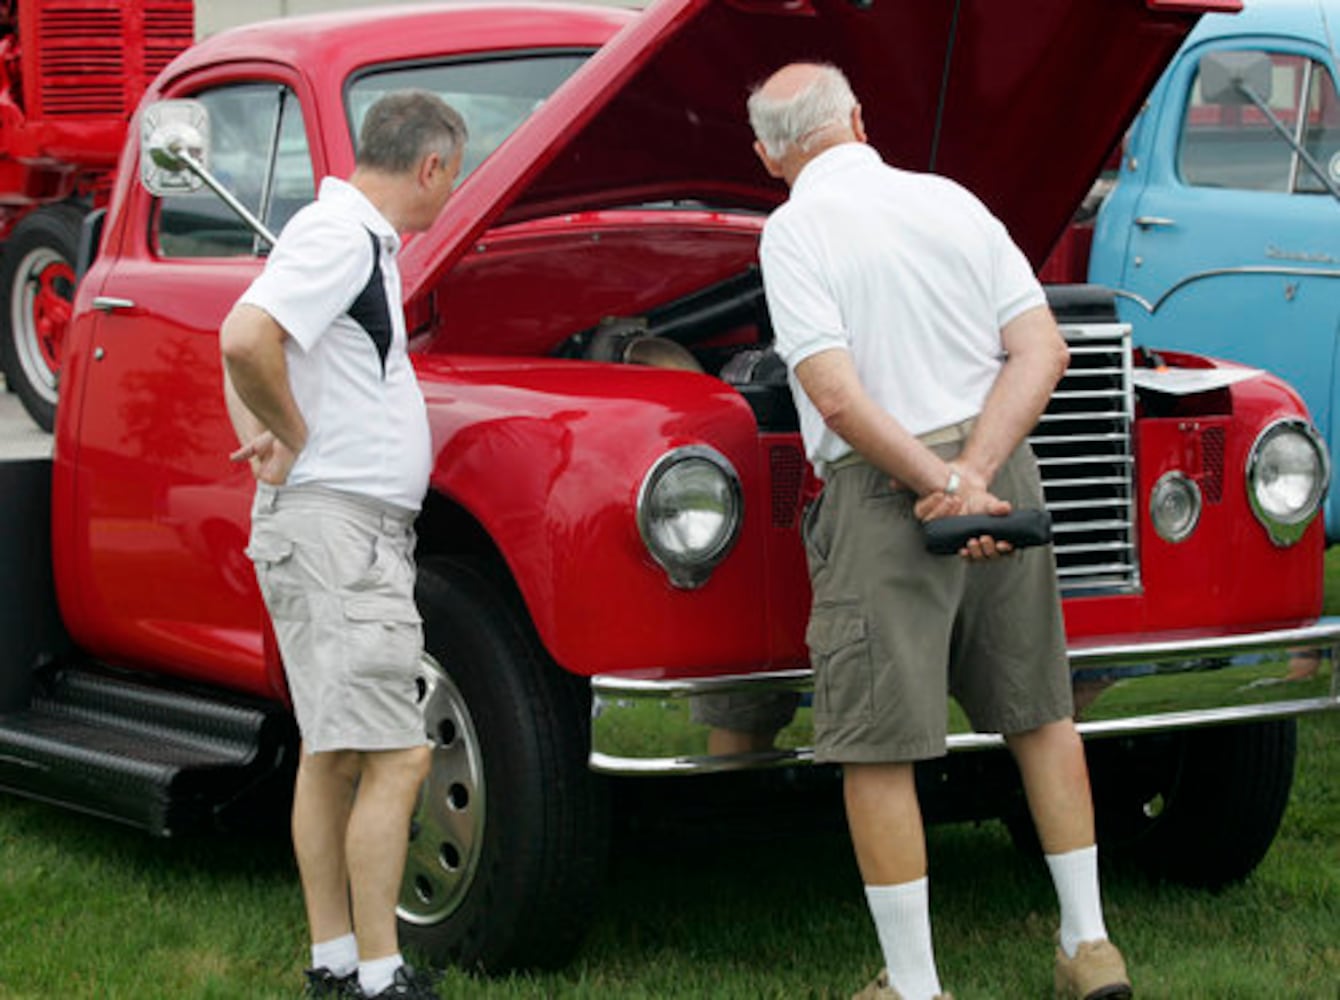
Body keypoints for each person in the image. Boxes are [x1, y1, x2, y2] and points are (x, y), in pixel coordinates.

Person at [746, 64, 1132, 1000]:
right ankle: (1089, 948)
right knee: (1042, 716)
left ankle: (914, 986)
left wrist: (939, 486)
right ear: (861, 120)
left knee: (876, 749)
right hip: (1003, 477)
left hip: (888, 496)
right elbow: (1044, 347)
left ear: (767, 155)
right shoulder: (953, 201)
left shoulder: (794, 229)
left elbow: (833, 390)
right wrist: (978, 475)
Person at [219, 90, 467, 1000]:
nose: (452, 193)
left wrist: (269, 440)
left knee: (330, 753)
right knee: (398, 755)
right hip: (342, 534)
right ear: (431, 166)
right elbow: (245, 337)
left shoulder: (335, 234)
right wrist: (289, 433)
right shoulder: (343, 238)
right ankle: (377, 976)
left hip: (326, 528)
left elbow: (237, 341)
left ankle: (333, 964)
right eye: (455, 176)